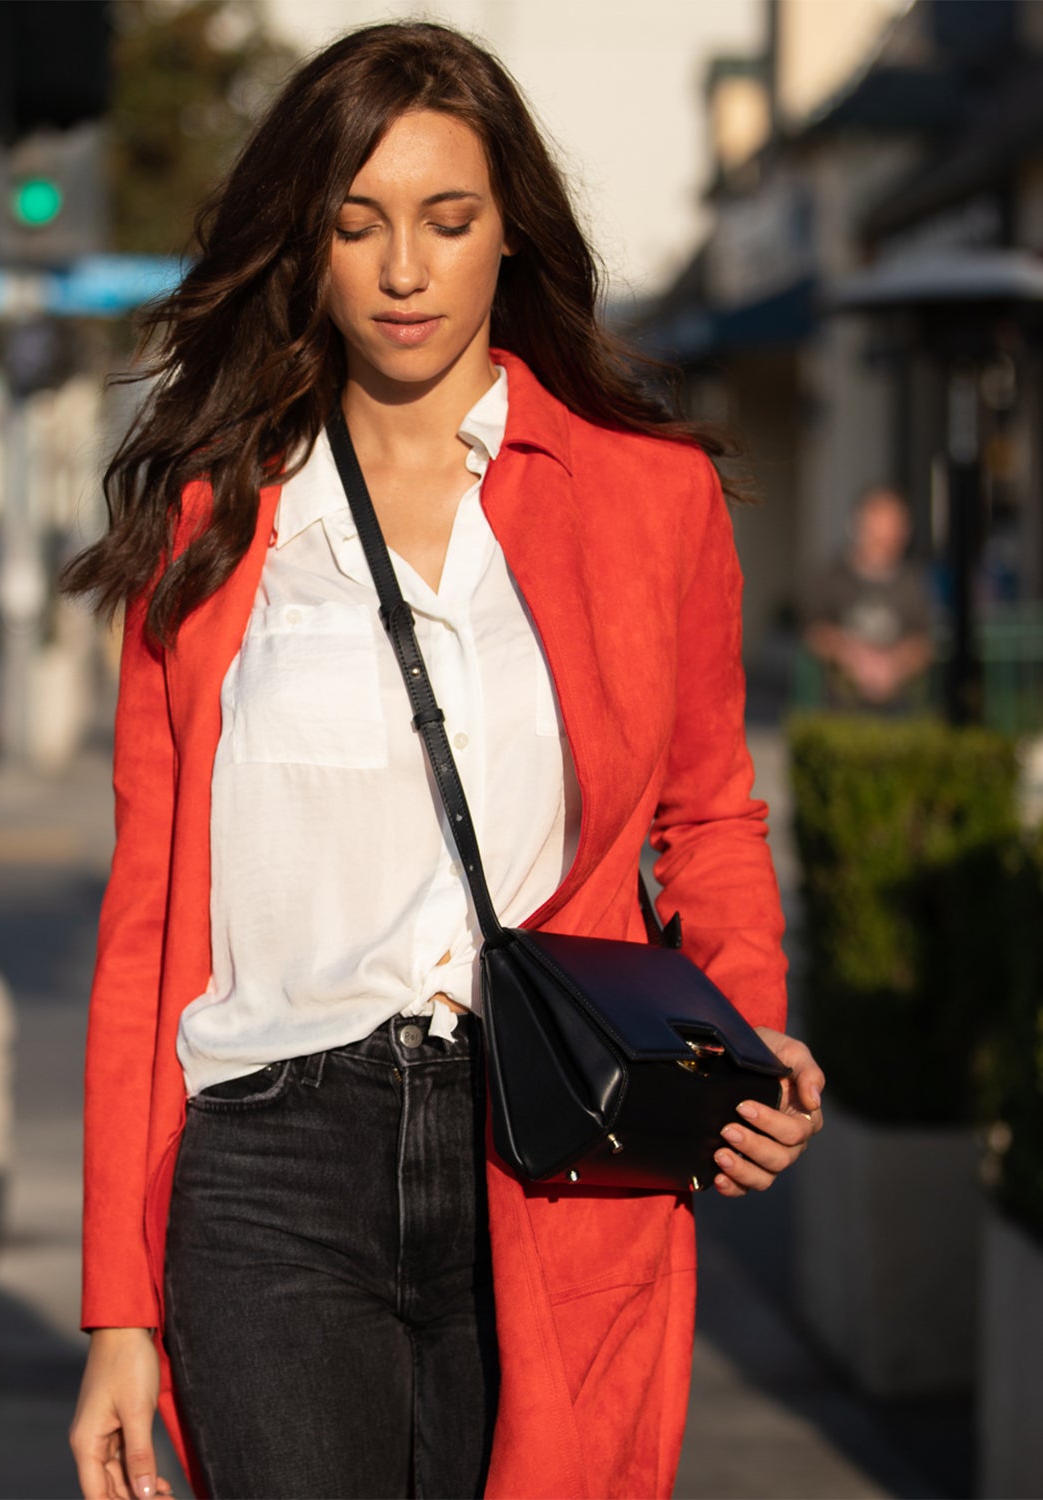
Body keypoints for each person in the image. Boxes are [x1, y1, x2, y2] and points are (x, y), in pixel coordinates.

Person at [65, 22, 824, 1500]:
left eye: (447, 220)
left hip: (550, 1151)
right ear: (307, 247)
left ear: (508, 235)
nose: (404, 271)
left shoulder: (647, 497)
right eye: (357, 225)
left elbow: (711, 812)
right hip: (267, 1168)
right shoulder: (220, 528)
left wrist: (751, 1036)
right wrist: (117, 1310)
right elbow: (147, 925)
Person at [803, 485, 933, 711]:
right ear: (861, 523)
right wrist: (853, 656)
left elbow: (924, 641)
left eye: (896, 524)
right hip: (841, 710)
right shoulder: (834, 578)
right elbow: (814, 631)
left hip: (899, 712)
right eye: (880, 521)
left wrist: (894, 664)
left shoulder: (912, 583)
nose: (888, 533)